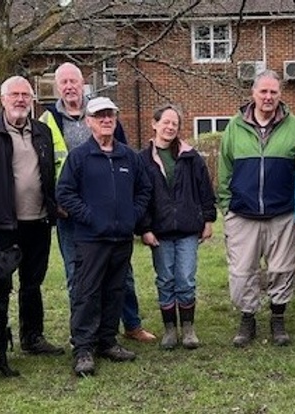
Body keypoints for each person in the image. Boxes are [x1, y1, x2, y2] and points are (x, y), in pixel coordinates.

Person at [39, 63, 155, 344]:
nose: (69, 87)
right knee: (78, 278)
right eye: (63, 82)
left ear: (83, 83)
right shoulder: (48, 119)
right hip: (73, 215)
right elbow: (43, 166)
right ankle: (81, 335)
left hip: (115, 218)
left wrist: (131, 214)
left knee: (121, 276)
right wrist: (61, 206)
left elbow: (132, 170)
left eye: (73, 81)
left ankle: (129, 325)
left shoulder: (106, 113)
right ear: (57, 86)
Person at [0, 76, 63, 355]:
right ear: (3, 99)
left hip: (39, 221)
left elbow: (49, 174)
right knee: (0, 286)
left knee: (33, 283)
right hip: (2, 224)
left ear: (32, 100)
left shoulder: (42, 131)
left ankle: (33, 338)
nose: (20, 100)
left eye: (25, 95)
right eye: (14, 94)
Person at [56, 97, 152, 376]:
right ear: (89, 121)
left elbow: (144, 189)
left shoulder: (128, 156)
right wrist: (90, 218)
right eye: (100, 116)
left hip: (121, 239)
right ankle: (84, 348)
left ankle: (107, 341)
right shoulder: (80, 157)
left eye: (110, 115)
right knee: (87, 293)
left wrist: (132, 216)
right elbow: (64, 193)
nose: (106, 120)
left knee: (114, 291)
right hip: (91, 239)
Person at [218, 70, 295, 348]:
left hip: (282, 213)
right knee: (242, 272)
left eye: (273, 92)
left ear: (280, 95)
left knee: (282, 269)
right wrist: (226, 208)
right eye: (263, 92)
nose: (268, 97)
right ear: (253, 94)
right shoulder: (234, 127)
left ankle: (278, 319)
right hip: (243, 214)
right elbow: (224, 170)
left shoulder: (294, 126)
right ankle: (248, 319)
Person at [139, 104, 216, 350]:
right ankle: (170, 329)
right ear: (154, 124)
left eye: (175, 123)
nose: (170, 127)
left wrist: (208, 219)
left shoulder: (190, 157)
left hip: (187, 229)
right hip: (159, 231)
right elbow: (139, 197)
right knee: (165, 279)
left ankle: (188, 328)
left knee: (185, 279)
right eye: (166, 122)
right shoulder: (142, 160)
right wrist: (144, 228)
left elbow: (205, 189)